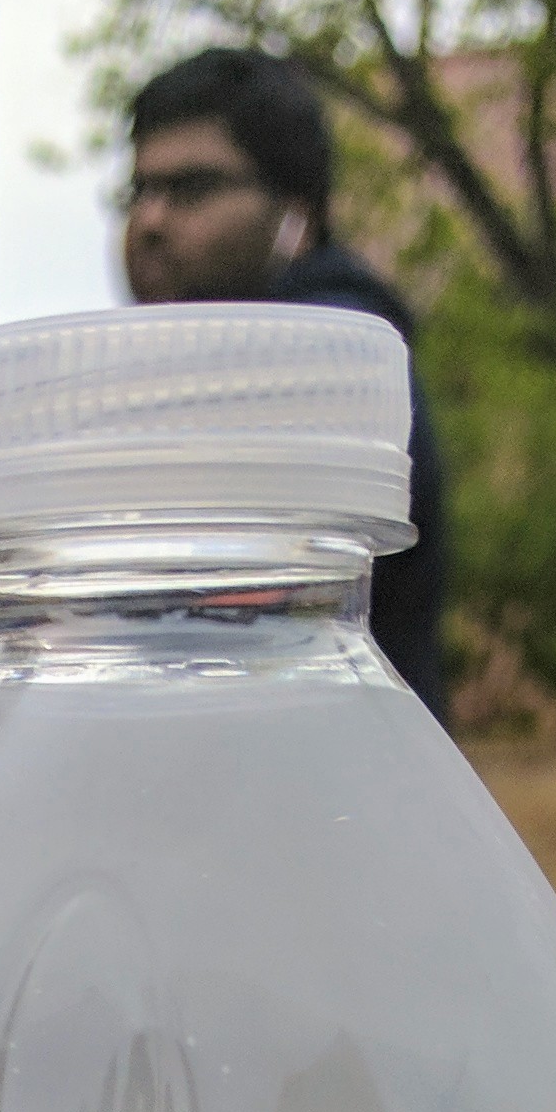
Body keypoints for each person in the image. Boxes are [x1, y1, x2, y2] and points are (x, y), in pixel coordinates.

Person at [122, 49, 453, 724]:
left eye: (192, 190)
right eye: (138, 192)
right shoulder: (193, 366)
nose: (150, 222)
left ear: (293, 217)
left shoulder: (330, 359)